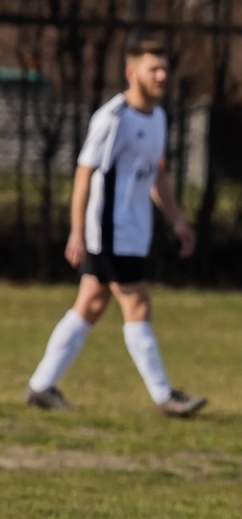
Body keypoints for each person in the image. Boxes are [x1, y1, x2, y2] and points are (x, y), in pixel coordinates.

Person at [24, 38, 207, 418]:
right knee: (137, 302)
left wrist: (178, 222)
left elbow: (156, 174)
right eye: (153, 68)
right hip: (109, 231)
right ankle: (164, 397)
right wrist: (77, 231)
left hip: (134, 231)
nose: (161, 75)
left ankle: (41, 386)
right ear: (132, 72)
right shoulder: (113, 118)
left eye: (165, 68)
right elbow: (84, 174)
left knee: (89, 304)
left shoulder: (157, 117)